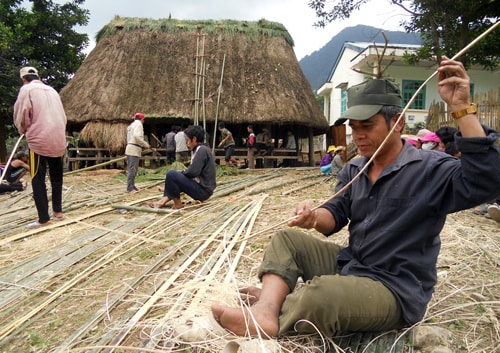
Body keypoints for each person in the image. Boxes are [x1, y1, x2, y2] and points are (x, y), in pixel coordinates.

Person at [211, 57, 500, 338]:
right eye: (353, 127)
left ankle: (274, 305)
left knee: (322, 296)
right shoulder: (355, 169)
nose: (357, 135)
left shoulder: (431, 169)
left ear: (397, 122)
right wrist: (313, 218)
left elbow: (487, 182)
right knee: (286, 240)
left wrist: (462, 108)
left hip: (393, 289)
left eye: (367, 126)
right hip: (352, 265)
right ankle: (267, 309)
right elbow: (335, 214)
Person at [13, 66, 67, 228]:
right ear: (38, 76)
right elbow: (63, 117)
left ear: (23, 79)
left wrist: (23, 130)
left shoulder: (26, 90)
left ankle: (44, 218)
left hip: (39, 141)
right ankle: (58, 211)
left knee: (38, 179)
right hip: (58, 140)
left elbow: (22, 115)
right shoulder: (52, 91)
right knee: (57, 178)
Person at [148, 125, 216, 209]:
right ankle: (161, 202)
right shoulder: (202, 149)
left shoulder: (201, 150)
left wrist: (182, 172)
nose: (187, 143)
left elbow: (193, 172)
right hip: (203, 189)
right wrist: (182, 173)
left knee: (171, 174)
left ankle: (177, 204)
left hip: (203, 191)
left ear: (194, 139)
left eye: (187, 140)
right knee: (175, 178)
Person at [125, 112, 151, 193]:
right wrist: (145, 144)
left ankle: (132, 185)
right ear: (142, 119)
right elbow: (136, 136)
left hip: (131, 147)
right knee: (132, 169)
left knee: (133, 168)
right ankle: (130, 188)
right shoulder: (139, 124)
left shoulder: (131, 125)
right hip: (134, 148)